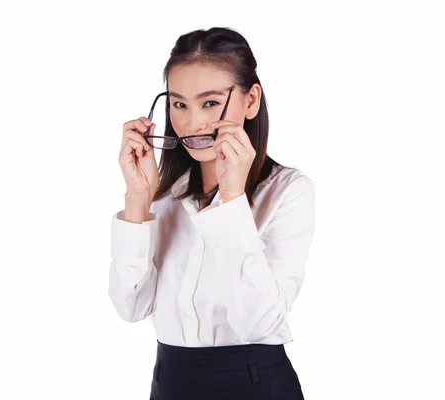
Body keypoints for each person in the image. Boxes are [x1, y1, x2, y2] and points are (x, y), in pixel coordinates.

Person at [108, 26, 315, 400]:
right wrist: (138, 199)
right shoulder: (165, 196)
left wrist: (233, 199)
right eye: (179, 104)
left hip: (256, 384)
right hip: (171, 383)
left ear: (251, 100)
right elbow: (130, 307)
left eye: (210, 103)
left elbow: (261, 323)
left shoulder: (287, 191)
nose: (193, 124)